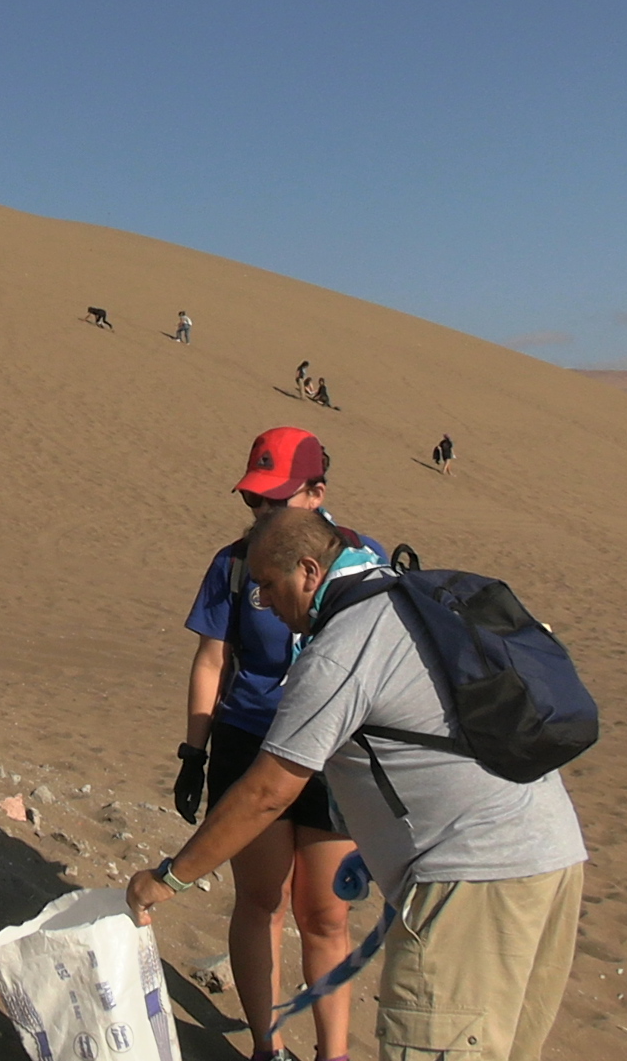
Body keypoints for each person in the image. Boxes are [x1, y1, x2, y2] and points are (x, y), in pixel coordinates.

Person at [131, 506, 587, 1061]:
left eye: (270, 587)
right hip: (550, 859)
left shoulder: (341, 646)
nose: (266, 604)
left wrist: (168, 880)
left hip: (471, 883)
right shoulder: (404, 599)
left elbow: (268, 792)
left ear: (308, 570)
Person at [172, 428, 381, 1061]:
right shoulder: (235, 564)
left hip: (334, 756)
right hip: (249, 747)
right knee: (261, 903)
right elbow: (212, 660)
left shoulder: (364, 561)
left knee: (326, 914)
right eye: (252, 501)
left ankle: (333, 1054)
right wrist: (194, 752)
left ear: (317, 493)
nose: (261, 513)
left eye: (275, 500)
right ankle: (267, 1049)